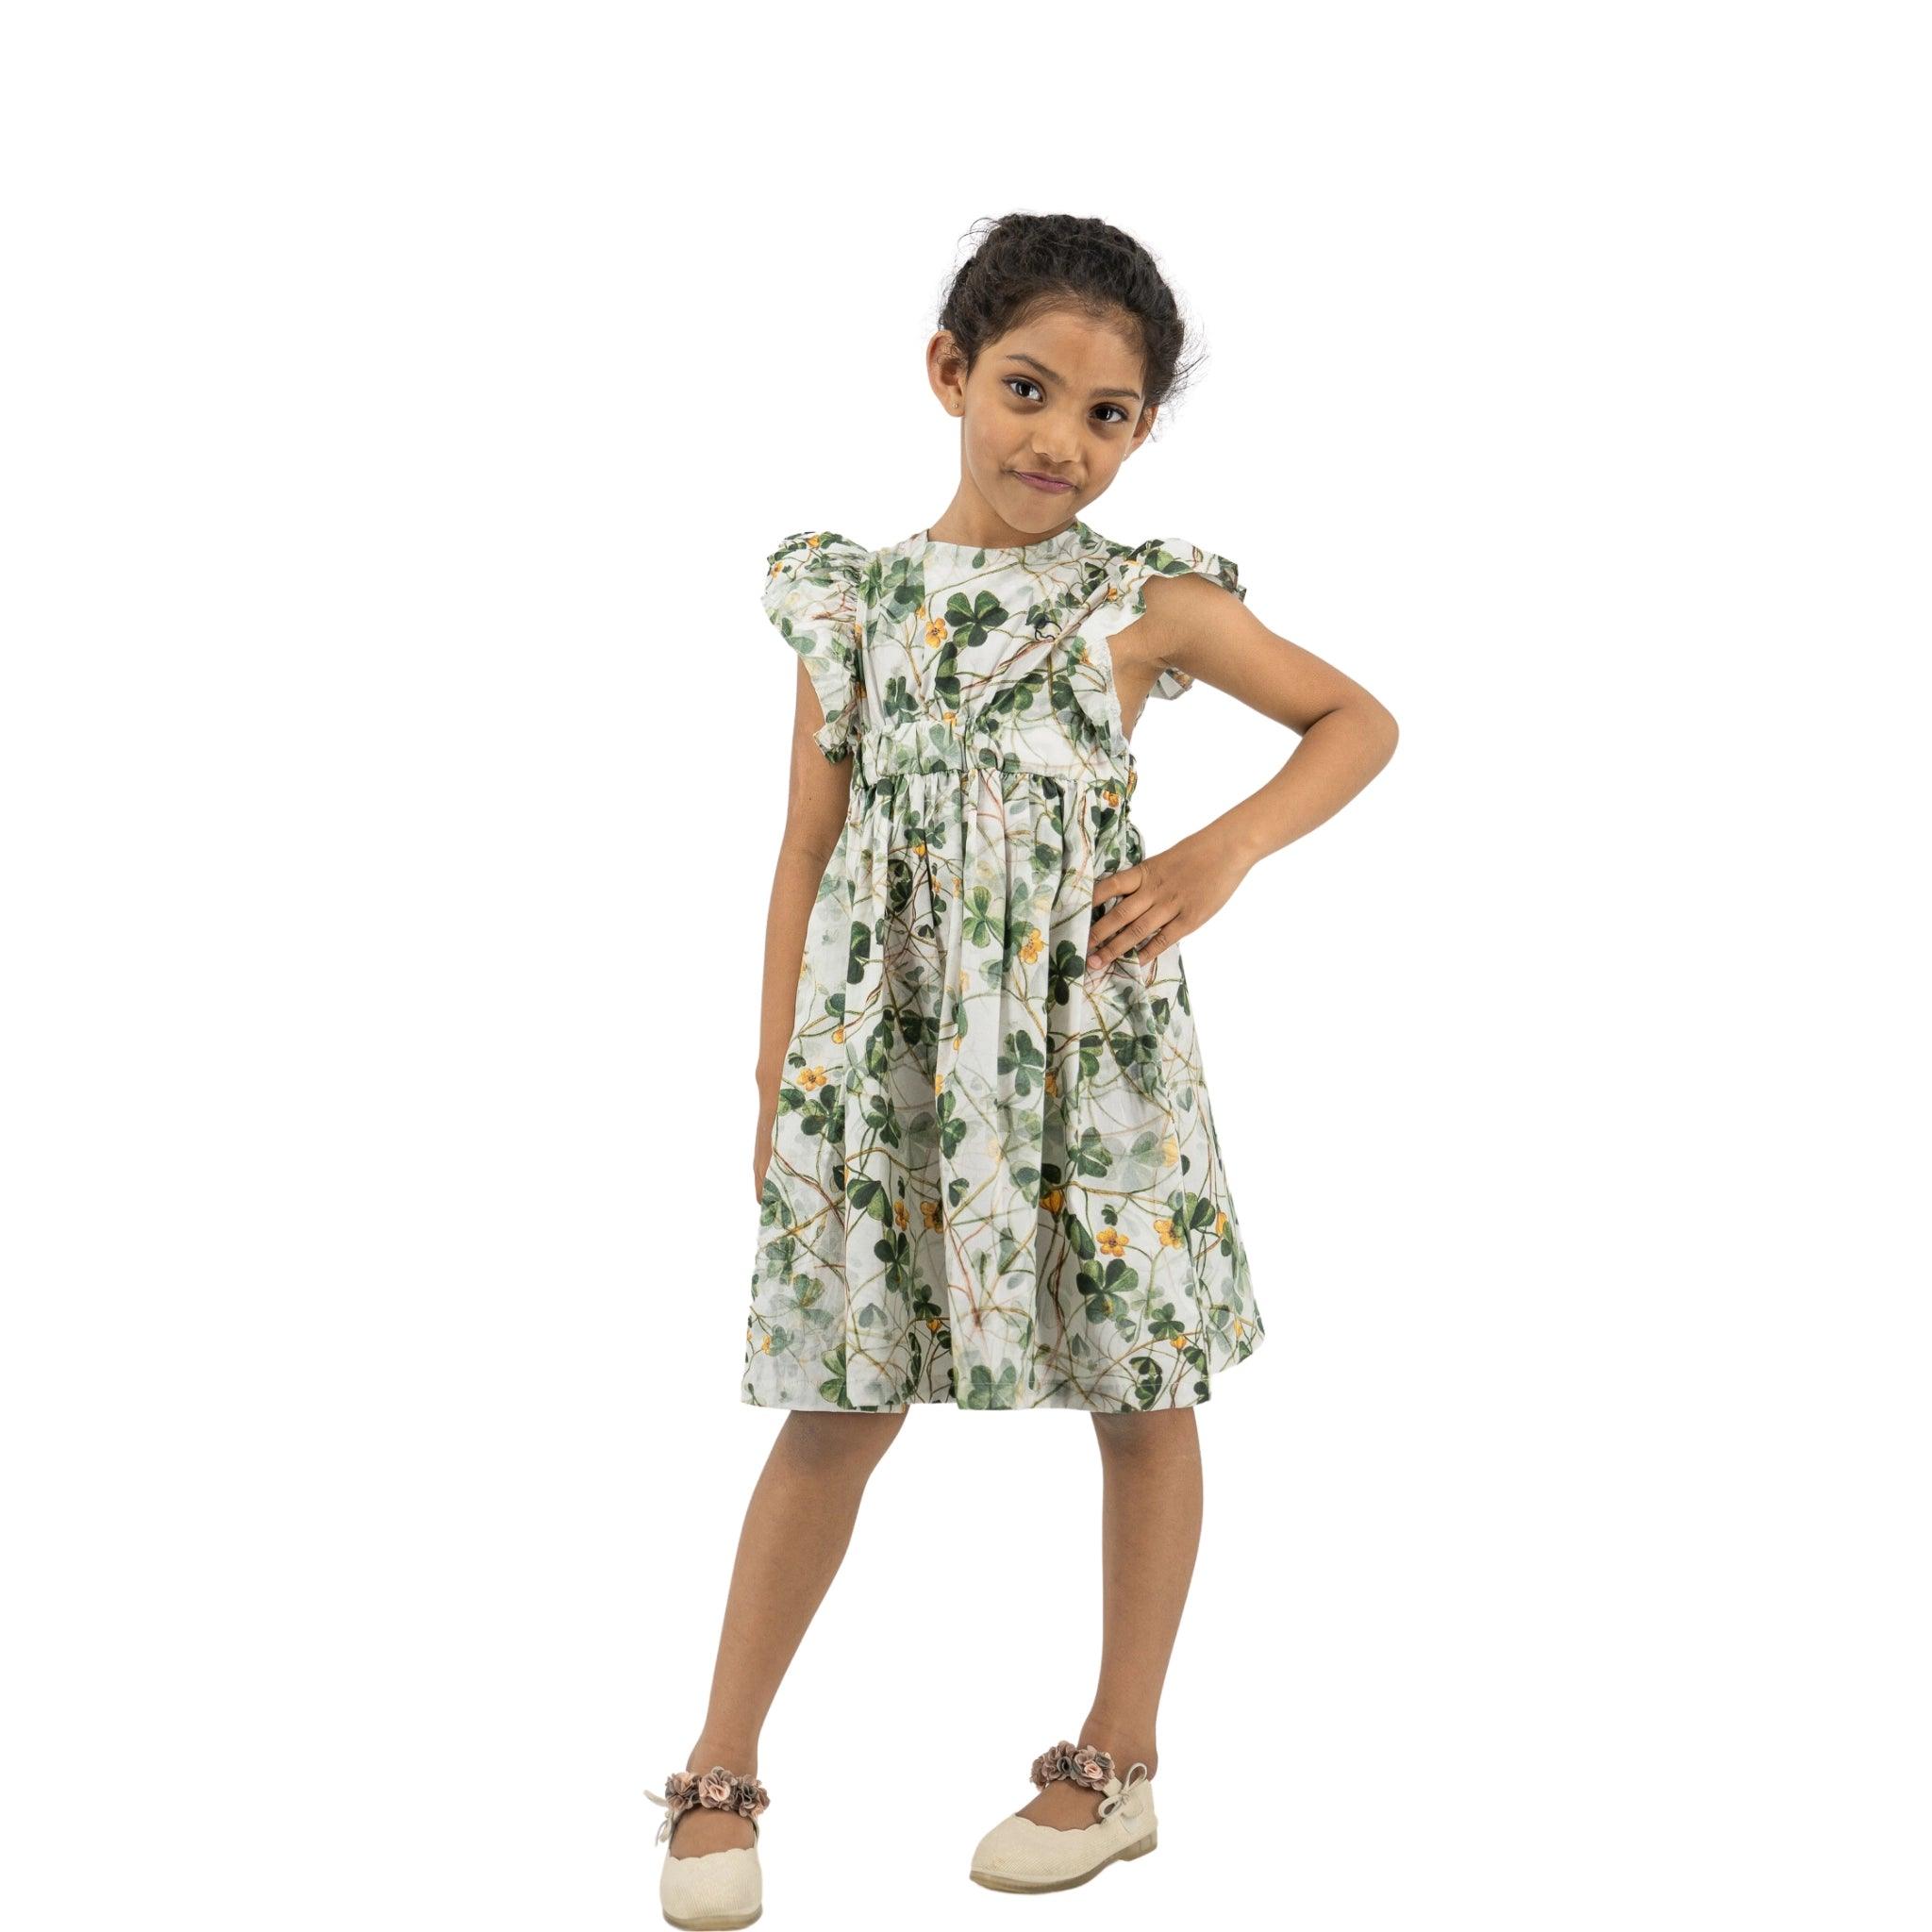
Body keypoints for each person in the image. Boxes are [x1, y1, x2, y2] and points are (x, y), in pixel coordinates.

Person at [648, 211, 1400, 1927]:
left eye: (1109, 414)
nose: (1061, 440)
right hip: (894, 1063)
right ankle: (717, 1768)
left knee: (1144, 1393)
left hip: (1091, 1057)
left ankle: (1117, 1758)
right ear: (950, 377)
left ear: (1142, 435)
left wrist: (1218, 857)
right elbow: (804, 849)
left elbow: (1356, 720)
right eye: (1028, 391)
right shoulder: (853, 600)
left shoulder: (1145, 602)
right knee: (840, 1398)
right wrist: (780, 1082)